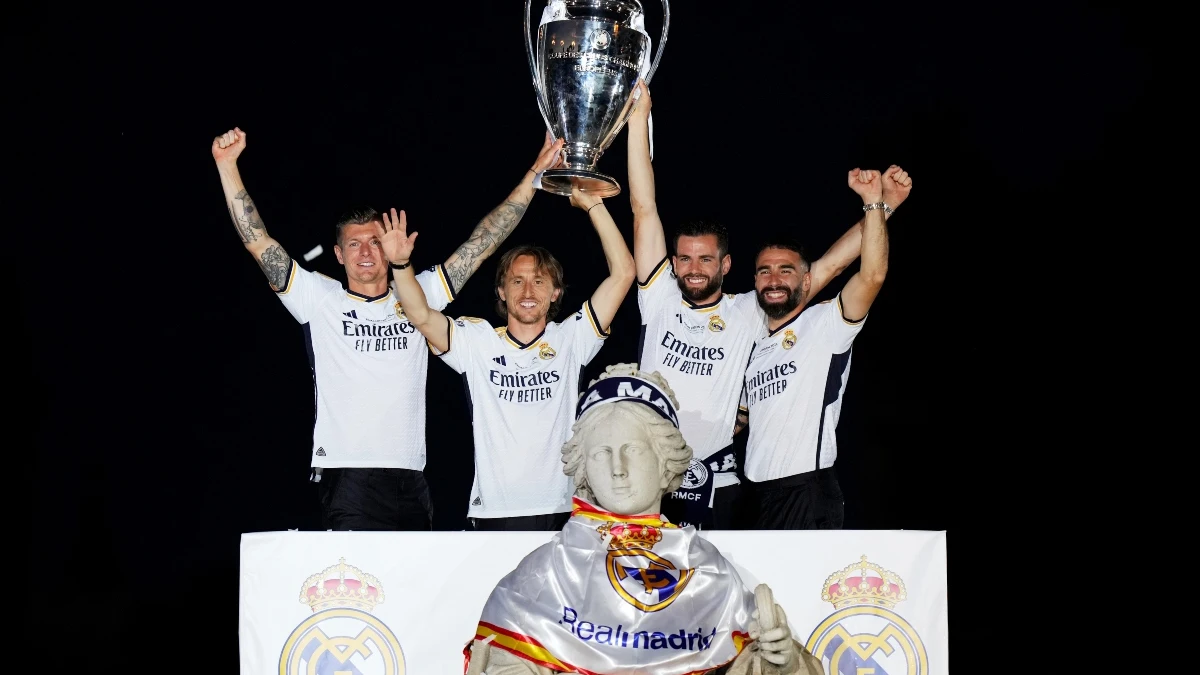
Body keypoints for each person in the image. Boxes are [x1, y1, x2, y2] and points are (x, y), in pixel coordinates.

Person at [211, 127, 566, 531]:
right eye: (355, 244)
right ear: (339, 255)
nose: (366, 252)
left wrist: (535, 176)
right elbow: (259, 242)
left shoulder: (418, 294)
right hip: (349, 477)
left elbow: (482, 243)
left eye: (375, 242)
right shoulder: (319, 298)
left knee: (414, 591)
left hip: (412, 478)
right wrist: (227, 167)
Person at [625, 82, 912, 529]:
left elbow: (827, 270)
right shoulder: (659, 295)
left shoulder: (749, 311)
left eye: (706, 259)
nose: (694, 268)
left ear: (726, 264)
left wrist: (884, 208)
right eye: (684, 258)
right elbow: (644, 208)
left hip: (718, 485)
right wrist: (638, 118)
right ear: (674, 263)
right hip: (646, 482)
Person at [462, 363, 824, 675]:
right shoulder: (544, 574)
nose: (618, 470)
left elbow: (747, 665)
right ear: (583, 466)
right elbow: (504, 661)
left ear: (665, 460)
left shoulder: (707, 571)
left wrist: (783, 664)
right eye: (602, 453)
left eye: (632, 450)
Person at [381, 185, 636, 531]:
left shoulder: (572, 338)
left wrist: (593, 206)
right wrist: (400, 264)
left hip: (562, 510)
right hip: (493, 514)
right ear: (501, 290)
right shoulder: (477, 342)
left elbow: (624, 273)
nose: (528, 292)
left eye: (539, 281)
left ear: (556, 292)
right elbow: (421, 315)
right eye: (517, 281)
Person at [741, 165, 906, 530]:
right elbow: (744, 418)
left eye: (786, 270)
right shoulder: (752, 345)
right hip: (753, 492)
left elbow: (871, 275)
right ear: (754, 280)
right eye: (764, 271)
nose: (774, 279)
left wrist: (875, 204)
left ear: (806, 279)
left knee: (798, 589)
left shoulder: (825, 324)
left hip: (806, 491)